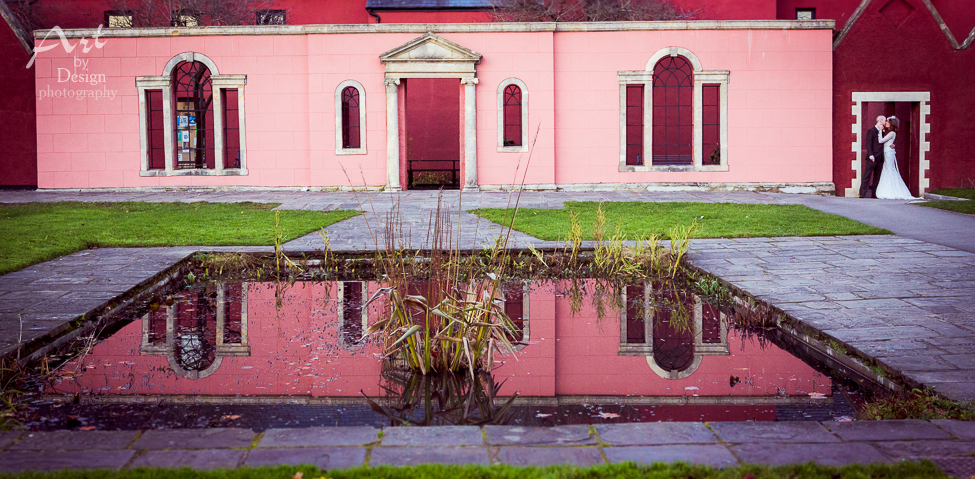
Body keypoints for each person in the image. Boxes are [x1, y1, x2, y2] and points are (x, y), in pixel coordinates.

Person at [875, 116, 918, 200]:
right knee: (888, 169)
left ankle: (890, 190)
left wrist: (880, 131)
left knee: (889, 170)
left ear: (891, 124)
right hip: (887, 152)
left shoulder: (892, 133)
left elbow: (881, 141)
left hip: (888, 153)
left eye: (888, 122)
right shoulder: (890, 133)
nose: (886, 123)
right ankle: (888, 189)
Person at [860, 115, 886, 198]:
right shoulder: (871, 131)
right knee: (867, 175)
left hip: (880, 158)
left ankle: (874, 193)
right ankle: (862, 193)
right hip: (872, 157)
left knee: (877, 177)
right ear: (880, 121)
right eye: (885, 120)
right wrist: (871, 155)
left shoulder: (883, 132)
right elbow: (868, 144)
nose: (885, 122)